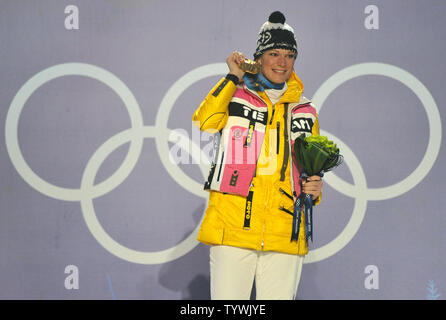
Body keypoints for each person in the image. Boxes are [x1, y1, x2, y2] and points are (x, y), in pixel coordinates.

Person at [192, 11, 323, 300]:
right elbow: (205, 121)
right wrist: (231, 77)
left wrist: (315, 188)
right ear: (259, 57)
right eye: (274, 53)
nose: (282, 62)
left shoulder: (306, 110)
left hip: (285, 232)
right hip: (233, 227)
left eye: (289, 55)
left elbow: (309, 170)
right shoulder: (236, 95)